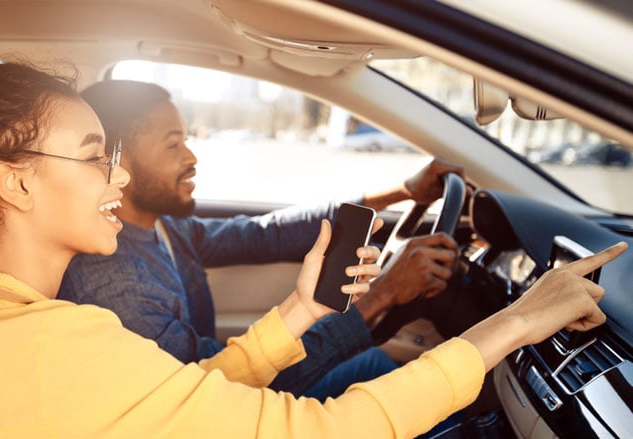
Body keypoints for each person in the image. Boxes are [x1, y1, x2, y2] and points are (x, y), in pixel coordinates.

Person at [0, 45, 625, 438]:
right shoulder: (54, 341)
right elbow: (328, 429)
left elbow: (175, 393)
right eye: (94, 156)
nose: (116, 177)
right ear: (16, 183)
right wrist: (516, 322)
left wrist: (299, 311)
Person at [59, 79, 462, 399]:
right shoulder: (113, 280)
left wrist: (401, 192)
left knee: (376, 368)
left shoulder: (164, 226)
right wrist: (382, 295)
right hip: (223, 406)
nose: (191, 157)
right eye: (173, 144)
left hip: (235, 388)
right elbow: (218, 391)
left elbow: (265, 234)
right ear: (119, 161)